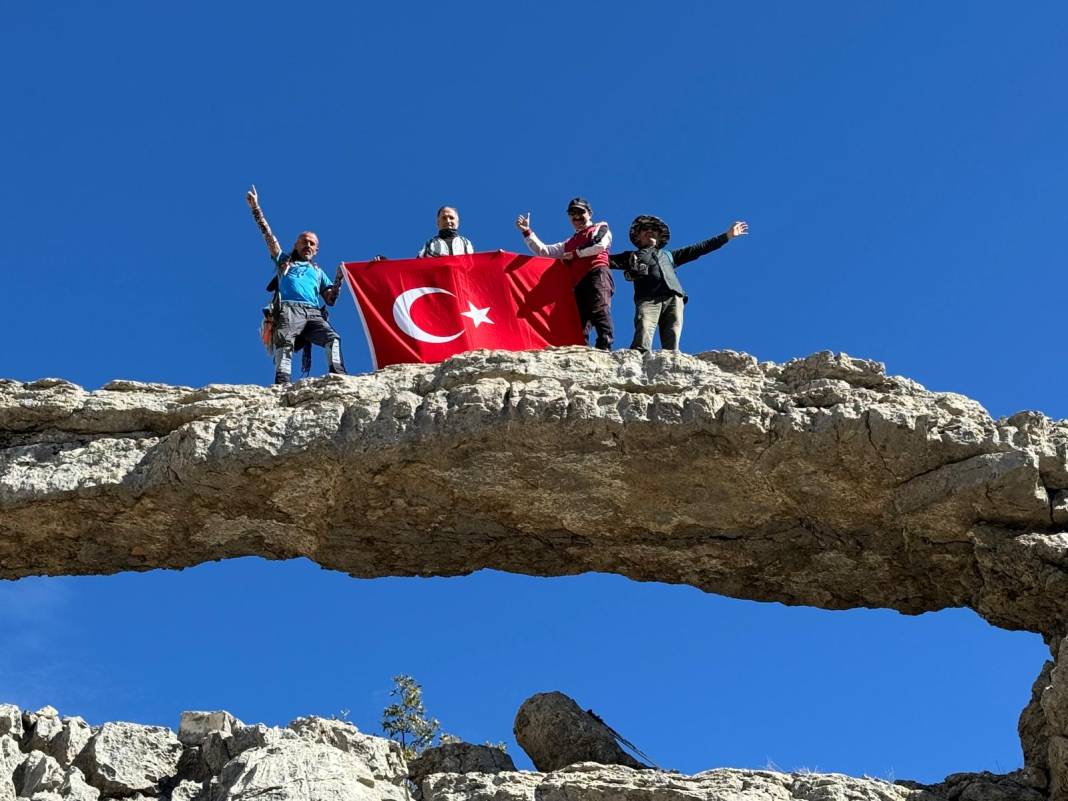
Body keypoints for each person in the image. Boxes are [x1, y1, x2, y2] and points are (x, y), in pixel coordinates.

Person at [246, 185, 346, 384]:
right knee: (285, 342)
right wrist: (255, 208)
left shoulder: (318, 272)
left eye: (311, 243)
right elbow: (268, 236)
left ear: (316, 250)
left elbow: (330, 299)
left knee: (332, 337)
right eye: (304, 241)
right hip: (289, 309)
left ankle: (338, 374)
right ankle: (282, 382)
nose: (307, 245)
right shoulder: (284, 261)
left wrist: (338, 280)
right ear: (296, 245)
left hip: (313, 311)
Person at [608, 215, 748, 352]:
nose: (649, 230)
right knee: (644, 326)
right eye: (644, 228)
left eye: (654, 229)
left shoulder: (669, 256)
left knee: (672, 336)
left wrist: (727, 236)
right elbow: (603, 260)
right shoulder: (631, 257)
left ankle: (670, 362)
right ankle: (638, 357)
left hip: (673, 297)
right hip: (647, 299)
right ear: (637, 237)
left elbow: (700, 248)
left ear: (659, 236)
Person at [515, 198, 614, 349]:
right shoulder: (569, 242)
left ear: (590, 213)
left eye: (581, 212)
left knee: (599, 308)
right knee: (578, 319)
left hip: (597, 272)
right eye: (572, 213)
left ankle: (605, 345)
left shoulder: (600, 227)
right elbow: (544, 251)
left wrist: (575, 254)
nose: (577, 216)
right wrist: (527, 231)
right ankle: (581, 349)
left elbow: (599, 245)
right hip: (578, 282)